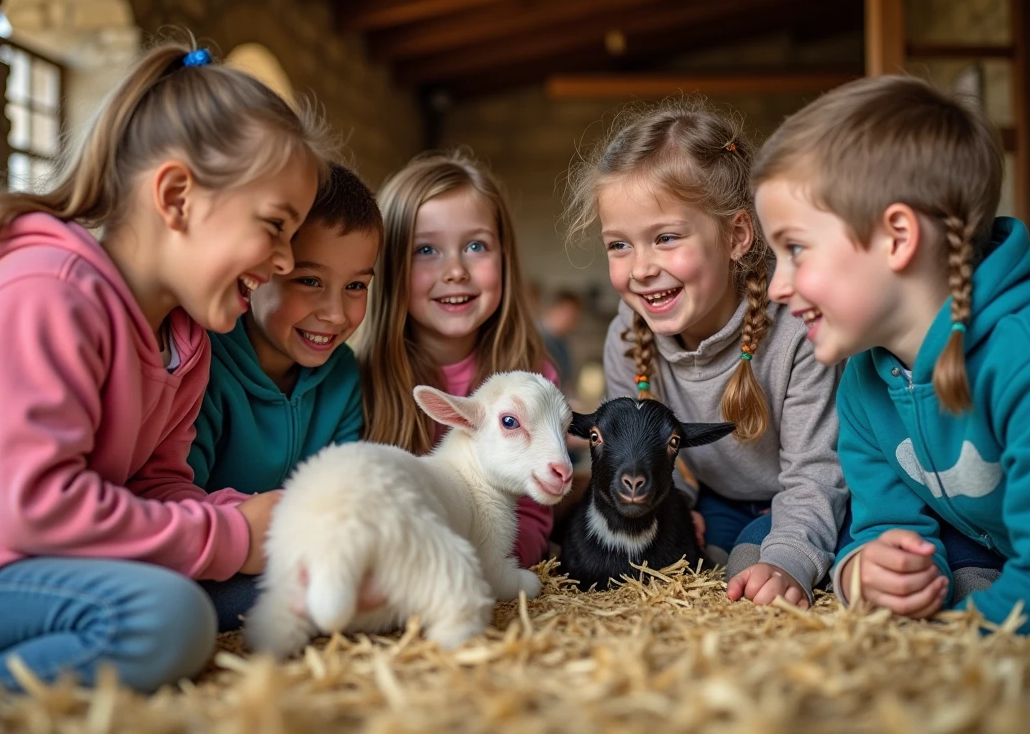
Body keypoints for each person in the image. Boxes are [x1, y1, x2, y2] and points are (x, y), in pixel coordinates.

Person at [0, 40, 331, 689]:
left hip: (46, 561)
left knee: (291, 578)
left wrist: (264, 528)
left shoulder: (183, 337)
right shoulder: (45, 291)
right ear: (177, 196)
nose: (282, 261)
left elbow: (159, 489)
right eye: (274, 226)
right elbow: (38, 510)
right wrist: (230, 533)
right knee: (166, 618)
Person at [753, 74, 1030, 635]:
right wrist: (870, 574)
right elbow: (884, 524)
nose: (776, 286)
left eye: (795, 249)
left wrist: (951, 640)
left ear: (897, 236)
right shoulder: (864, 381)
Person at [563, 100, 846, 608]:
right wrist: (678, 503)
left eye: (666, 238)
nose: (641, 268)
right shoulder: (628, 334)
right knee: (711, 563)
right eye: (619, 245)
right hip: (719, 505)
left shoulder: (797, 333)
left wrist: (789, 558)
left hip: (810, 506)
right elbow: (635, 450)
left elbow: (818, 472)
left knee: (755, 577)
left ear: (736, 235)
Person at [190, 163, 383, 630]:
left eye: (356, 286)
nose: (335, 314)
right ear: (261, 268)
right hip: (206, 567)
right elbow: (176, 506)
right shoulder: (205, 365)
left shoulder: (342, 379)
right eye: (309, 280)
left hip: (299, 563)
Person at [359, 150, 559, 568]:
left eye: (475, 246)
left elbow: (533, 510)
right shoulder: (361, 381)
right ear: (391, 266)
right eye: (426, 250)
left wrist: (498, 562)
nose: (455, 271)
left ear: (505, 256)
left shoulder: (533, 378)